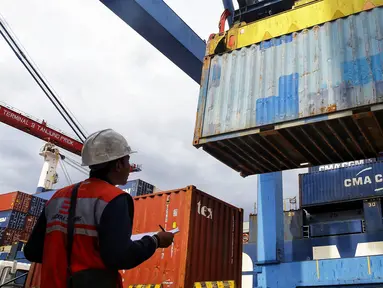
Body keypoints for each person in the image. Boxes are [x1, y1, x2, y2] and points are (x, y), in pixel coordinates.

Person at [24, 129, 174, 288]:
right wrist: (156, 241)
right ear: (118, 164)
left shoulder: (57, 197)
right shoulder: (114, 198)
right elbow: (121, 257)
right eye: (127, 161)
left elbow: (32, 251)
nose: (129, 167)